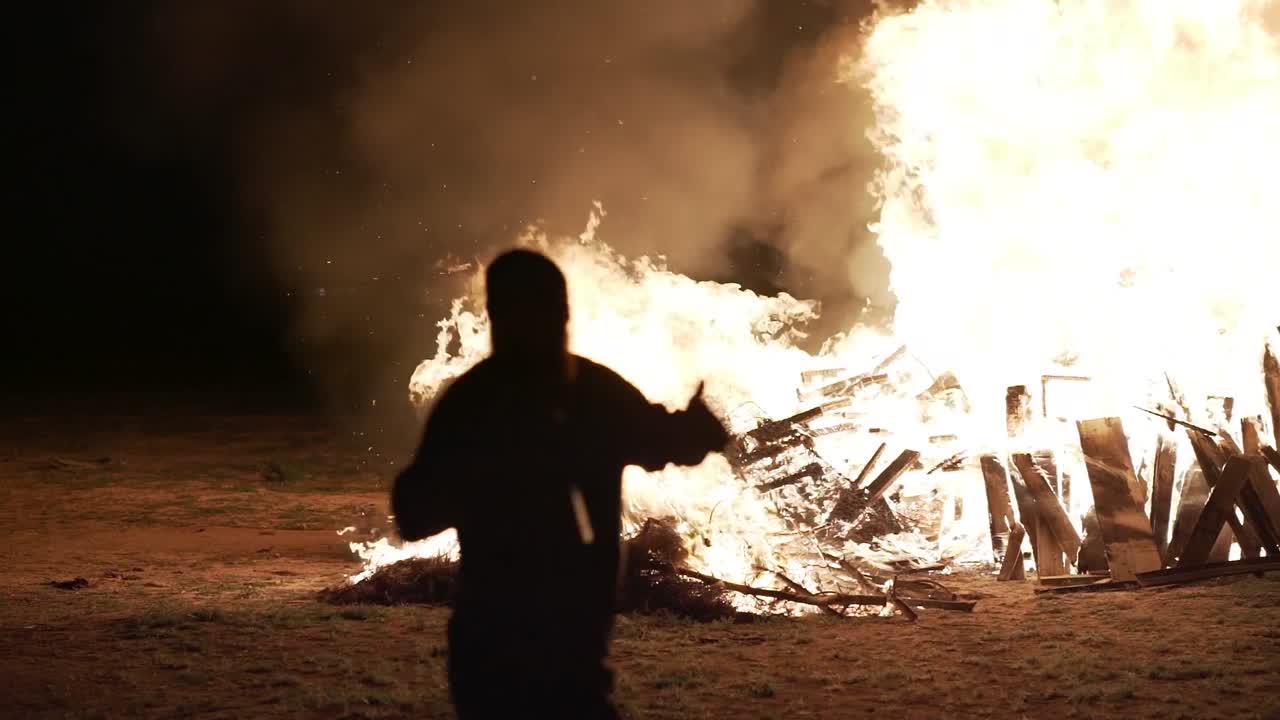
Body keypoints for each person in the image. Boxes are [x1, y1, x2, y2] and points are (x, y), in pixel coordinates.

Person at [392, 248, 730, 719]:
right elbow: (415, 513)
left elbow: (664, 440)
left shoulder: (480, 400)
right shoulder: (580, 394)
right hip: (511, 645)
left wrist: (695, 430)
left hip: (543, 645)